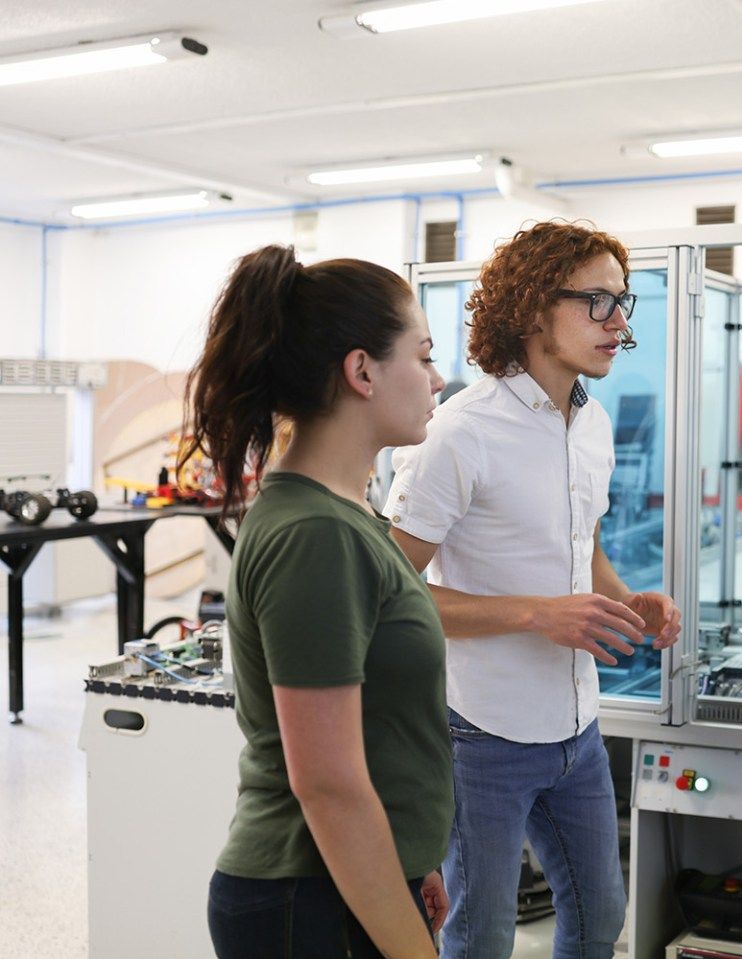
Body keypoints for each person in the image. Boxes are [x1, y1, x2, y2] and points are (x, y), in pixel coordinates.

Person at [386, 221, 682, 959]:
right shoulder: (460, 432)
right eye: (596, 300)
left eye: (623, 301)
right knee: (478, 937)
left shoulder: (594, 422)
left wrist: (623, 596)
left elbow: (580, 543)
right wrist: (535, 614)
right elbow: (388, 598)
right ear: (530, 308)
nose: (618, 322)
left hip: (577, 728)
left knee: (597, 922)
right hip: (479, 733)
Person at [186, 244, 451, 959]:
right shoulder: (315, 534)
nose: (438, 376)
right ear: (362, 370)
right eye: (423, 356)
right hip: (306, 900)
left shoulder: (347, 511)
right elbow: (328, 783)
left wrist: (408, 862)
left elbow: (374, 727)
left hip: (347, 884)